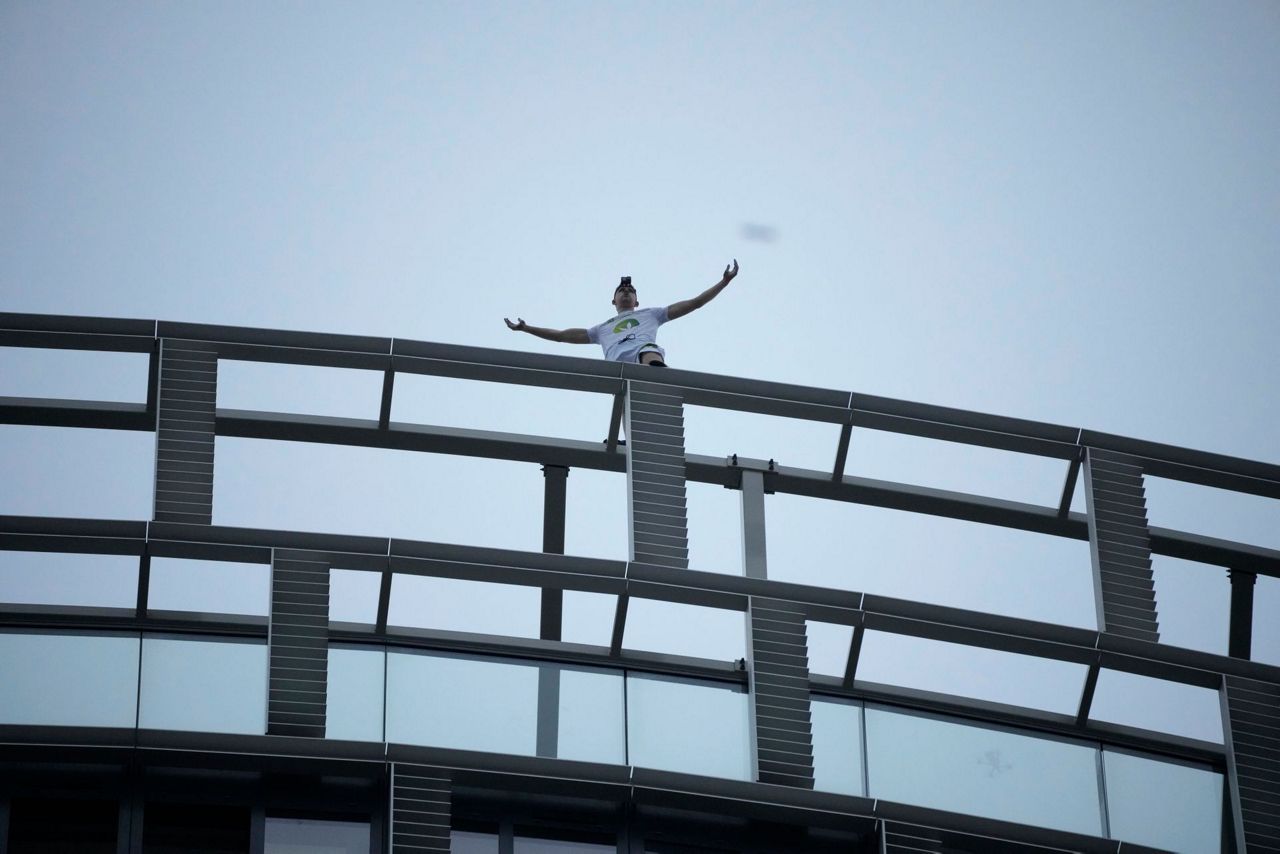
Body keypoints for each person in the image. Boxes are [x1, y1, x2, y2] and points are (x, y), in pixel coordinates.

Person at [504, 261, 739, 367]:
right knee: (627, 401)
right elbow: (561, 336)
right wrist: (527, 328)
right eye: (622, 290)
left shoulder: (652, 314)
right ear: (613, 300)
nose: (626, 293)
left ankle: (658, 372)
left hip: (644, 357)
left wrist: (723, 283)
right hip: (617, 366)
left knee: (648, 350)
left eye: (630, 291)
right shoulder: (601, 329)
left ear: (637, 301)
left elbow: (695, 303)